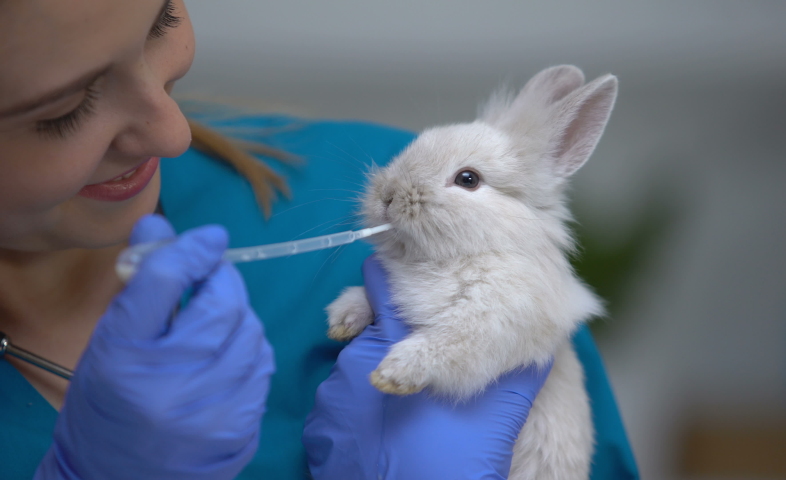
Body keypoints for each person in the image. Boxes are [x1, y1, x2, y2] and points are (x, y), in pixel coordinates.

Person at [0, 1, 639, 479]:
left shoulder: (415, 206)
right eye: (62, 111)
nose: (173, 134)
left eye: (161, 19)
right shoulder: (409, 186)